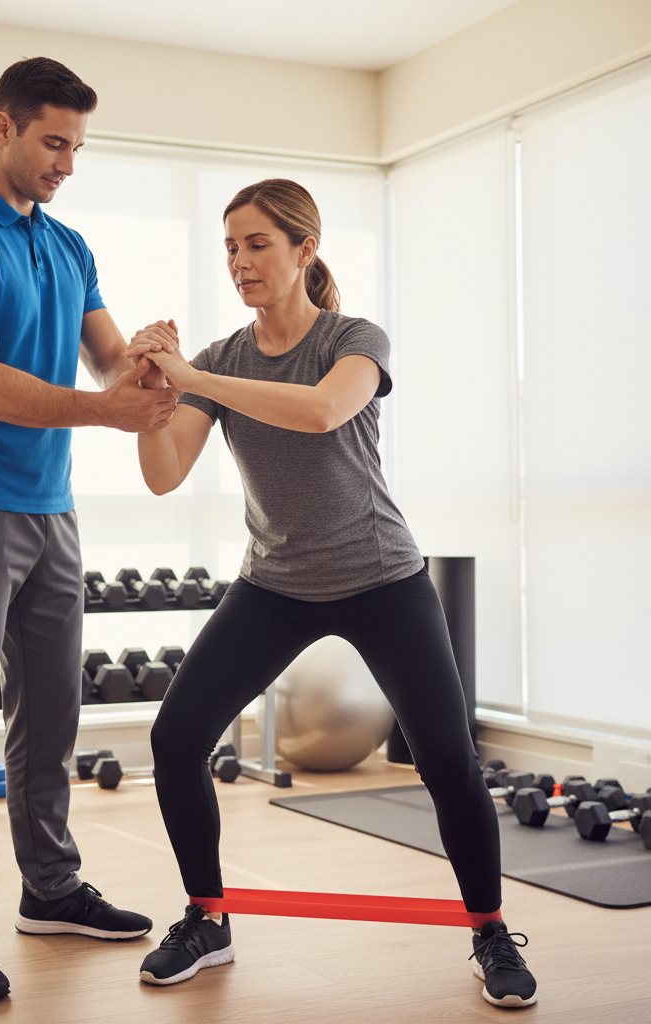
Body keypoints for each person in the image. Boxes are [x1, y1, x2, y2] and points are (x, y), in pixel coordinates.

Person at [123, 178, 538, 1009]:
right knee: (176, 738)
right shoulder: (217, 361)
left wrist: (197, 375)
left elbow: (319, 413)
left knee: (449, 762)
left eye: (258, 244)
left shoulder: (354, 338)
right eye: (230, 247)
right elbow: (166, 475)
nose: (240, 261)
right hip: (273, 583)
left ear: (305, 250)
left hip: (382, 578)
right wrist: (155, 393)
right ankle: (208, 919)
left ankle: (490, 931)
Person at [0, 57, 177, 1003]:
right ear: (4, 125)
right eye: (54, 142)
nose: (67, 162)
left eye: (78, 147)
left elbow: (107, 365)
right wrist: (109, 412)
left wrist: (151, 359)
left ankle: (51, 891)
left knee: (50, 717)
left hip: (52, 511)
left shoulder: (68, 247)